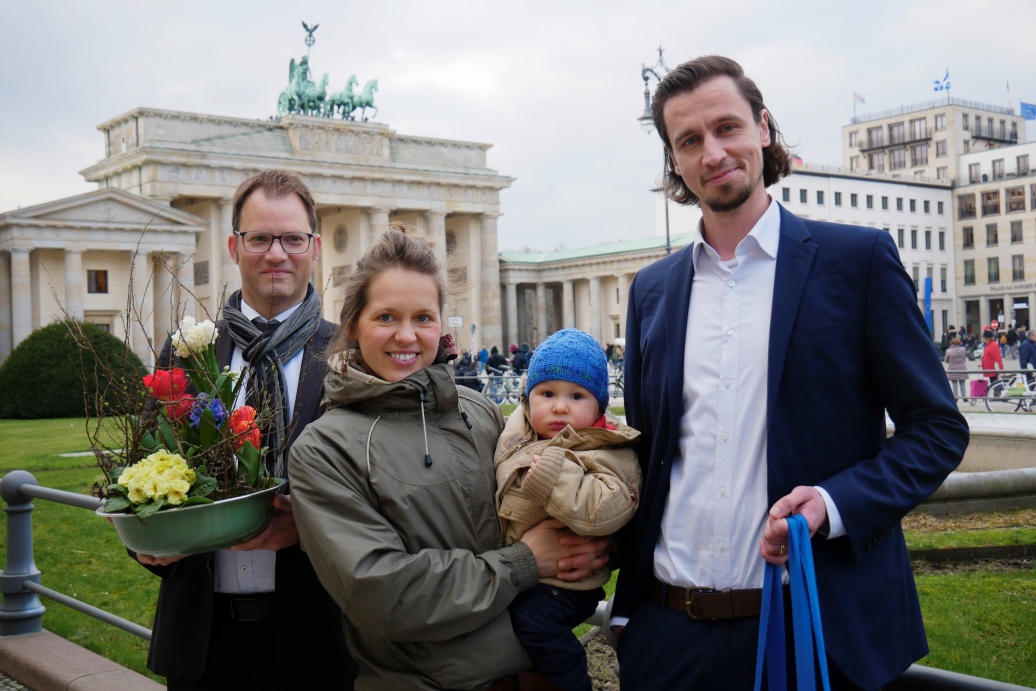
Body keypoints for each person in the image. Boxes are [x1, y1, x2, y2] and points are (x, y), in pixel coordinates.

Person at [610, 55, 968, 691]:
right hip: (669, 634)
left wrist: (832, 506)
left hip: (810, 631)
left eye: (727, 127)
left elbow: (936, 430)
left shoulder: (856, 261)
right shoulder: (653, 290)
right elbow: (650, 451)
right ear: (675, 162)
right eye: (689, 141)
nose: (713, 152)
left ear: (764, 128)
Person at [288, 228, 610, 690]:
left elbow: (548, 500)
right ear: (354, 325)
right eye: (386, 317)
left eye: (423, 316)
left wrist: (594, 543)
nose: (407, 335)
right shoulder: (324, 450)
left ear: (442, 325)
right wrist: (523, 563)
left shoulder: (478, 411)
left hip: (531, 675)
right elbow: (383, 594)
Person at [141, 170, 357, 689]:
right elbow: (146, 463)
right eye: (259, 238)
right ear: (235, 248)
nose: (276, 253)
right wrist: (148, 538)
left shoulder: (350, 356)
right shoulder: (186, 350)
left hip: (319, 636)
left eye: (292, 239)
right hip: (202, 642)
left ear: (316, 247)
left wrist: (305, 530)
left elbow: (380, 490)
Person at [495, 328, 641, 691]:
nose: (560, 406)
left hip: (567, 583)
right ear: (527, 402)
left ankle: (573, 681)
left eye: (576, 395)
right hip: (523, 570)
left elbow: (608, 510)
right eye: (547, 394)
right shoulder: (519, 435)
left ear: (599, 408)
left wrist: (554, 469)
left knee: (533, 624)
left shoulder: (609, 450)